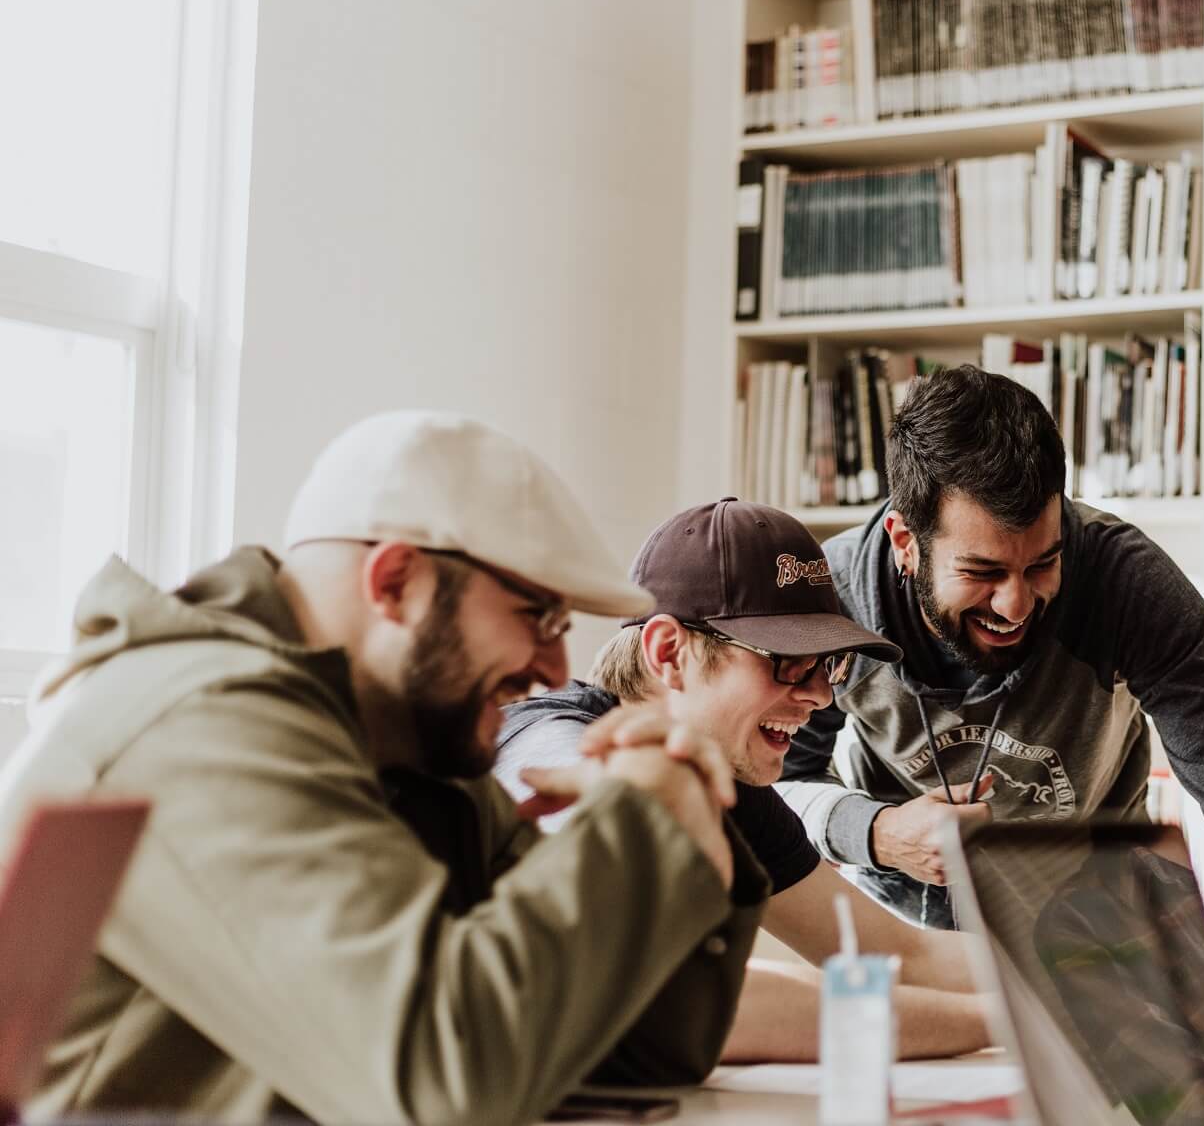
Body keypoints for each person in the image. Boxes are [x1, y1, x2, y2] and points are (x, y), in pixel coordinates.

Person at [0, 411, 768, 1124]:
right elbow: (442, 1082)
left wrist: (687, 824)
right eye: (536, 615)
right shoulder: (201, 726)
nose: (555, 665)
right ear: (395, 581)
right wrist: (640, 824)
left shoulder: (408, 745)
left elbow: (632, 1053)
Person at [494, 497, 1204, 1061]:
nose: (819, 697)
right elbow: (692, 998)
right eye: (788, 664)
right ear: (670, 652)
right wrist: (1064, 1015)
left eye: (828, 668)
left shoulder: (731, 785)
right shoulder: (553, 747)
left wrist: (1154, 974)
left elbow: (892, 952)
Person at [776, 364, 1204, 984]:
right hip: (907, 944)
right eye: (982, 573)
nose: (1015, 604)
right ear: (905, 541)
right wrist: (876, 831)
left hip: (1098, 932)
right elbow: (775, 785)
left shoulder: (1126, 582)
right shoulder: (834, 604)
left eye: (1042, 563)